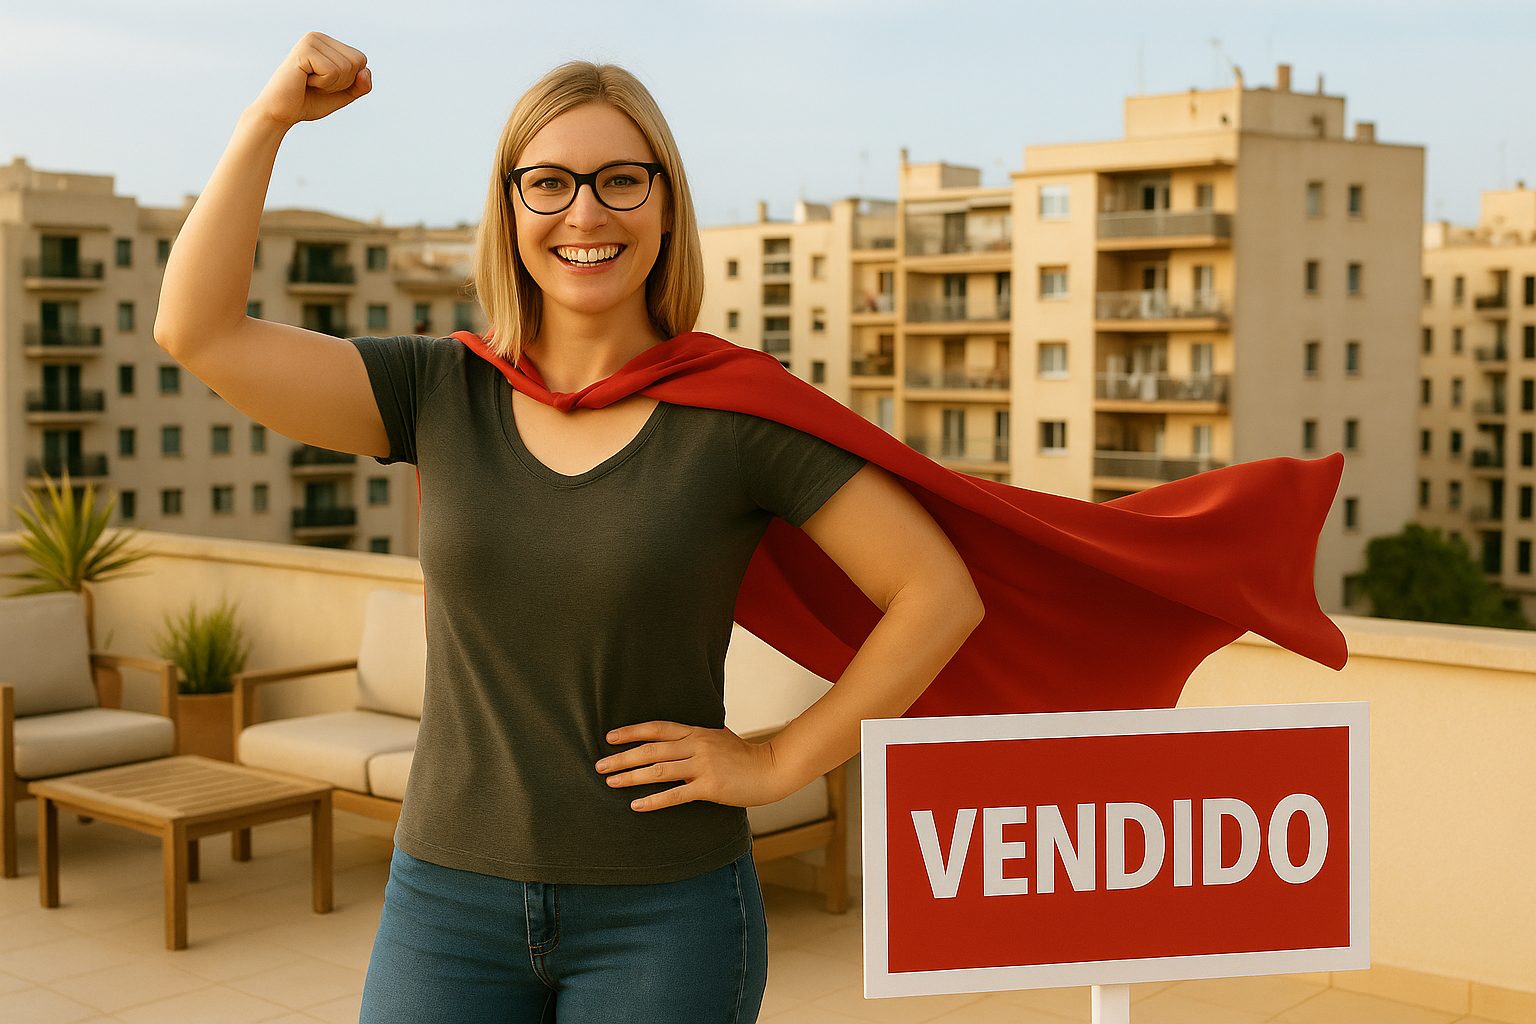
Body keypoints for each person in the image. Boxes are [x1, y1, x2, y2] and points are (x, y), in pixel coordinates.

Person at [153, 32, 985, 1023]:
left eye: (621, 180)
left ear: (666, 204)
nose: (585, 213)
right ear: (509, 209)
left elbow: (939, 594)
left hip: (664, 913)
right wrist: (270, 119)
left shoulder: (735, 414)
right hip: (445, 904)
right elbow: (197, 331)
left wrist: (777, 759)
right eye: (547, 183)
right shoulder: (437, 390)